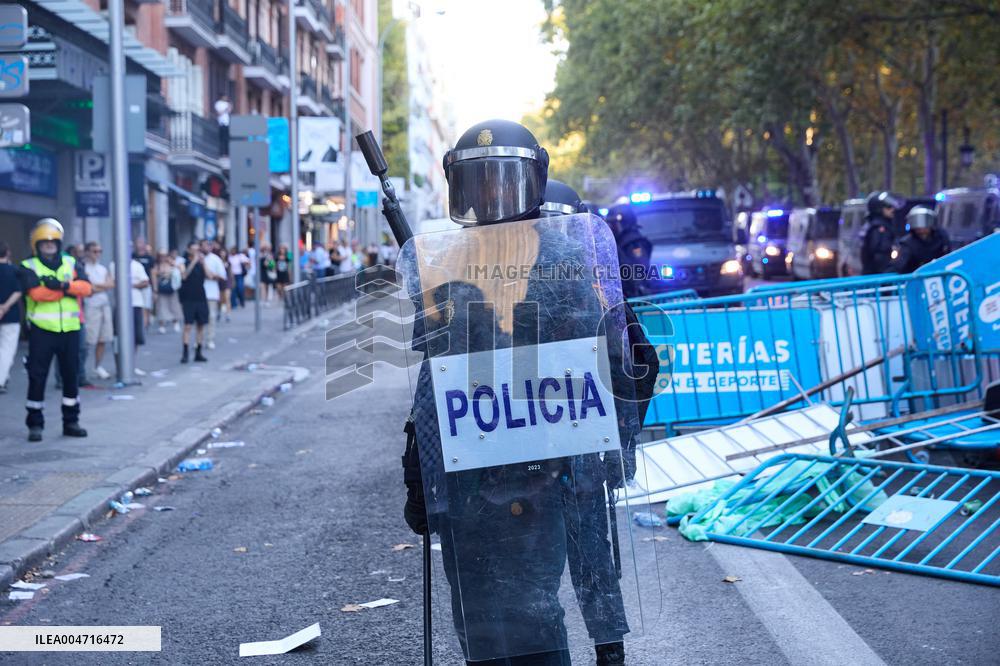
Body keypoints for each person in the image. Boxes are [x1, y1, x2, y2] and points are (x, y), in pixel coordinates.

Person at [400, 121, 655, 666]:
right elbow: (430, 388)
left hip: (545, 476)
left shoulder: (565, 271)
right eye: (480, 184)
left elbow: (623, 361)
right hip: (471, 482)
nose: (493, 198)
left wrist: (610, 446)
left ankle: (607, 649)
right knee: (475, 617)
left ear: (533, 179)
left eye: (503, 182)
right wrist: (419, 475)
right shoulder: (449, 270)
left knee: (533, 610)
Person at [17, 219, 92, 441]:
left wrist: (61, 286)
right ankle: (35, 424)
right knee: (37, 376)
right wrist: (70, 290)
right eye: (44, 243)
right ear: (36, 246)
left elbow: (86, 288)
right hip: (42, 331)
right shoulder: (28, 266)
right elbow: (36, 294)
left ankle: (71, 421)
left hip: (70, 329)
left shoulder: (71, 262)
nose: (49, 246)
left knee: (71, 376)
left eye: (53, 243)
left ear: (59, 244)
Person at [109, 251, 150, 376]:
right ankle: (119, 368)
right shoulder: (113, 265)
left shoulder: (137, 266)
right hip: (120, 305)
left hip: (135, 304)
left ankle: (131, 364)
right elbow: (111, 281)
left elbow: (145, 282)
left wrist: (130, 285)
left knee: (135, 337)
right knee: (118, 336)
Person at [82, 242, 115, 380]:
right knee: (89, 339)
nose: (98, 254)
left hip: (104, 305)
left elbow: (111, 284)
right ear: (88, 252)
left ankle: (98, 366)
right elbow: (88, 288)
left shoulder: (103, 268)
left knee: (103, 338)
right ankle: (81, 368)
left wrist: (97, 286)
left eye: (99, 251)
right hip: (90, 306)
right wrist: (102, 286)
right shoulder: (84, 268)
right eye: (95, 251)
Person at [891, 206, 950, 273]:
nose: (922, 229)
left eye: (925, 225)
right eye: (918, 227)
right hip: (915, 276)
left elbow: (948, 256)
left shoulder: (941, 238)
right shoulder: (907, 243)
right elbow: (898, 264)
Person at [178, 242, 209, 363]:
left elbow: (209, 276)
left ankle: (198, 351)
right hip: (188, 299)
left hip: (200, 297)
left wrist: (203, 263)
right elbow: (184, 276)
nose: (196, 252)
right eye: (194, 249)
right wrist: (193, 262)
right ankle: (185, 352)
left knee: (201, 325)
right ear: (189, 250)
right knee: (188, 325)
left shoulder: (201, 263)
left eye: (197, 250)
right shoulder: (183, 263)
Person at [0, 240, 23, 394]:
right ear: (7, 253)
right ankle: (1, 379)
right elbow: (18, 291)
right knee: (7, 349)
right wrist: (5, 307)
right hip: (11, 315)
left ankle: (4, 376)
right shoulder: (14, 271)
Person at [860, 191, 900, 274]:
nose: (892, 209)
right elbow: (880, 255)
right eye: (888, 207)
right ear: (878, 209)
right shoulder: (879, 228)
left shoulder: (879, 224)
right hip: (879, 275)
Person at [200, 240, 226, 349]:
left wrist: (211, 275)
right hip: (198, 293)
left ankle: (210, 339)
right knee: (199, 319)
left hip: (211, 293)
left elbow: (222, 276)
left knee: (211, 317)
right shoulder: (196, 258)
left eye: (208, 245)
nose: (206, 247)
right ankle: (199, 341)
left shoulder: (215, 259)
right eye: (204, 245)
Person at [152, 251, 182, 333]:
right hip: (161, 290)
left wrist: (172, 262)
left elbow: (180, 270)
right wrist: (155, 291)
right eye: (161, 256)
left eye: (165, 256)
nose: (163, 258)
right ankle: (162, 325)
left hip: (171, 289)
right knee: (161, 307)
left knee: (174, 306)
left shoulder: (171, 264)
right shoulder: (156, 266)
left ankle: (175, 322)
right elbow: (154, 278)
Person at [133, 238, 155, 331]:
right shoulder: (133, 256)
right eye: (138, 242)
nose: (140, 245)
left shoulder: (149, 258)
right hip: (135, 286)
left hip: (146, 285)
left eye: (142, 242)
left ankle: (144, 327)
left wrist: (155, 289)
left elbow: (153, 273)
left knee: (146, 306)